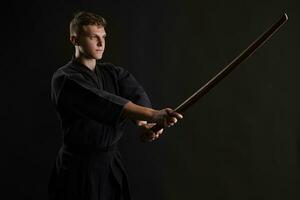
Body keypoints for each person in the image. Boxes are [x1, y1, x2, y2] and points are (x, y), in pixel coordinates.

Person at [48, 11, 183, 200]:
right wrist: (153, 115)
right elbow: (103, 102)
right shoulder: (65, 79)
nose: (101, 43)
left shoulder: (112, 72)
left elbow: (134, 93)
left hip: (110, 164)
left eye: (103, 37)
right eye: (93, 37)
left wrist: (144, 124)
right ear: (74, 40)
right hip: (79, 168)